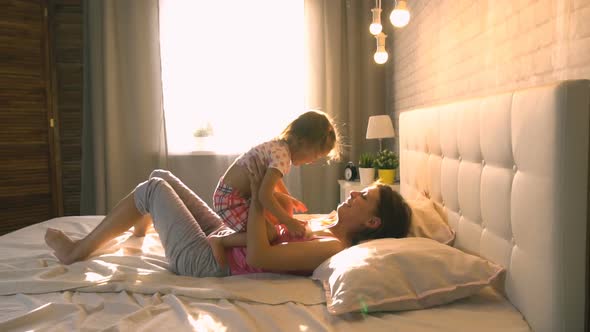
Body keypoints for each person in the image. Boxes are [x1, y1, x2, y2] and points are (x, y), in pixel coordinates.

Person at [44, 165, 411, 277]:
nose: (355, 193)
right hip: (222, 240)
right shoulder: (325, 223)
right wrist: (268, 199)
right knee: (163, 175)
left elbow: (262, 257)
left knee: (152, 189)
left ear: (374, 223)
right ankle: (140, 229)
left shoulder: (332, 246)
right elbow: (269, 229)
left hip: (208, 262)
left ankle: (75, 253)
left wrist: (259, 197)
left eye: (365, 197)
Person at [211, 110, 340, 245]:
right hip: (231, 202)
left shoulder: (279, 148)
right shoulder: (282, 157)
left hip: (231, 194)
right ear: (303, 142)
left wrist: (287, 197)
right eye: (315, 156)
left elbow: (273, 180)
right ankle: (221, 241)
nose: (312, 161)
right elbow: (264, 195)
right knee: (269, 234)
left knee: (284, 204)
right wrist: (289, 222)